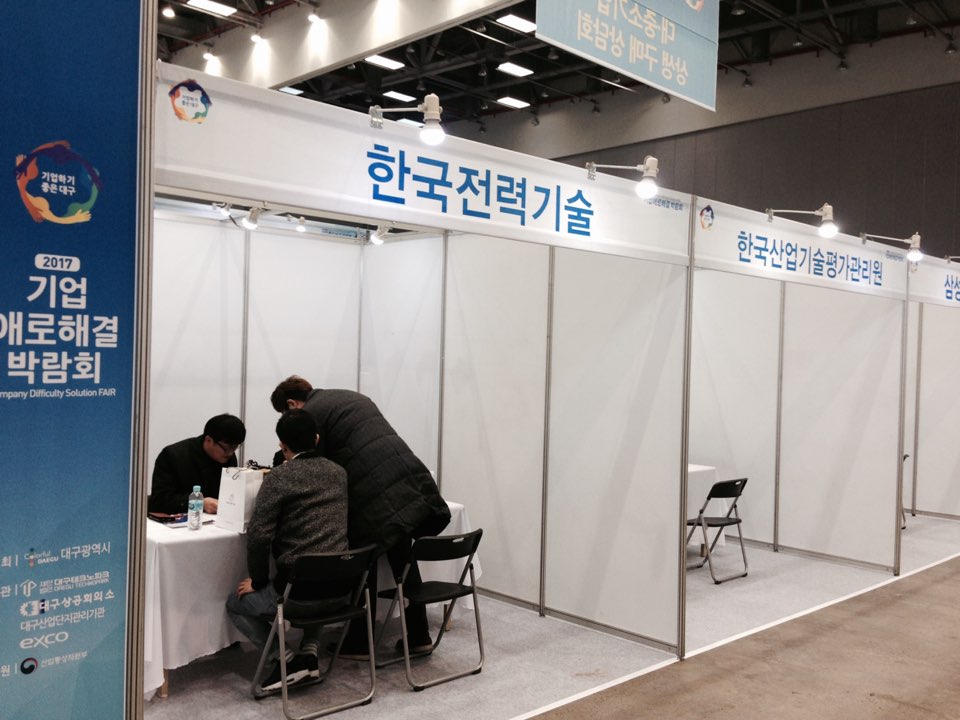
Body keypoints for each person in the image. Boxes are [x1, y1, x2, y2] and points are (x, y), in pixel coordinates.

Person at [269, 375, 451, 657]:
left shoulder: (311, 413)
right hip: (406, 478)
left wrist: (278, 467)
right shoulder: (348, 396)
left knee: (362, 557)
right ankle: (419, 636)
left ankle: (360, 641)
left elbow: (310, 461)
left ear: (292, 404)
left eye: (285, 413)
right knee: (402, 553)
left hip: (373, 489)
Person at [226, 409, 349, 691]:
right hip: (342, 589)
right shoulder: (339, 472)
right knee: (321, 566)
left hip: (298, 595)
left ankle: (285, 659)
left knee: (235, 603)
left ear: (282, 445)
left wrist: (258, 580)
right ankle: (310, 653)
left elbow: (259, 536)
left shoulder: (279, 477)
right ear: (316, 439)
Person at [147, 413, 246, 515]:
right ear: (209, 440)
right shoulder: (173, 456)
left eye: (235, 447)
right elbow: (160, 500)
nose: (230, 453)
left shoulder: (228, 457)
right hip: (177, 519)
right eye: (226, 448)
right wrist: (200, 502)